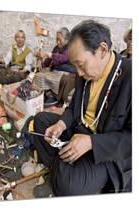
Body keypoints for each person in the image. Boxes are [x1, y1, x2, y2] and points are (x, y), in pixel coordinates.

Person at [32, 20, 131, 196]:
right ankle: (65, 164)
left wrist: (91, 143)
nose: (78, 73)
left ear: (102, 50)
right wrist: (61, 124)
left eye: (80, 64)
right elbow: (74, 108)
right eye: (75, 65)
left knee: (69, 186)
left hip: (105, 149)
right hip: (79, 129)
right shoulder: (84, 74)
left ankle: (62, 168)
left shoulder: (131, 76)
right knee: (39, 121)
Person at [33, 27, 76, 106]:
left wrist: (47, 54)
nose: (58, 42)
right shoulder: (56, 48)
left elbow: (63, 58)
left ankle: (55, 98)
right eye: (57, 39)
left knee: (61, 79)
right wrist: (42, 63)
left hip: (68, 72)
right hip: (56, 71)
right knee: (40, 75)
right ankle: (44, 94)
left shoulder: (71, 48)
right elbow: (49, 60)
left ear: (66, 39)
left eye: (60, 40)